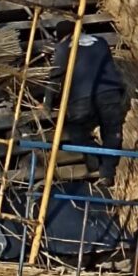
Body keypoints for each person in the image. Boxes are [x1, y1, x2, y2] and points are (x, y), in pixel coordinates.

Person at [44, 21, 126, 183]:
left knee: (76, 131)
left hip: (81, 97)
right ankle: (107, 173)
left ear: (62, 36)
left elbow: (55, 76)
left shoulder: (64, 48)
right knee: (111, 131)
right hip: (110, 92)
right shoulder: (101, 41)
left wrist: (47, 103)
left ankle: (96, 156)